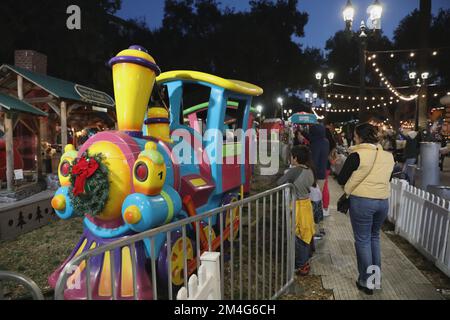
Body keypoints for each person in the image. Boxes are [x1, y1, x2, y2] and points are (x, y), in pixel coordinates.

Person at [337, 123, 395, 295]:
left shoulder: (357, 155)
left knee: (362, 240)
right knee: (374, 238)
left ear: (359, 136)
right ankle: (375, 280)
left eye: (355, 135)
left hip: (363, 201)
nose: (354, 138)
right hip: (382, 201)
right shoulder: (388, 156)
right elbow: (388, 178)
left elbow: (341, 179)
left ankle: (366, 281)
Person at [277, 145, 315, 276]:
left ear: (296, 158)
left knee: (299, 236)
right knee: (306, 233)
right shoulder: (309, 170)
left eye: (292, 156)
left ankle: (301, 265)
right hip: (307, 205)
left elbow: (280, 182)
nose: (290, 158)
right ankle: (306, 260)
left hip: (297, 206)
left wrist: (288, 178)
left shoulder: (295, 171)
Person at [307, 124, 330, 216]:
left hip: (315, 174)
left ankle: (313, 216)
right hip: (323, 172)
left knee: (312, 197)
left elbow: (314, 160)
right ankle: (318, 214)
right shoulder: (325, 141)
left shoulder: (316, 143)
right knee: (318, 196)